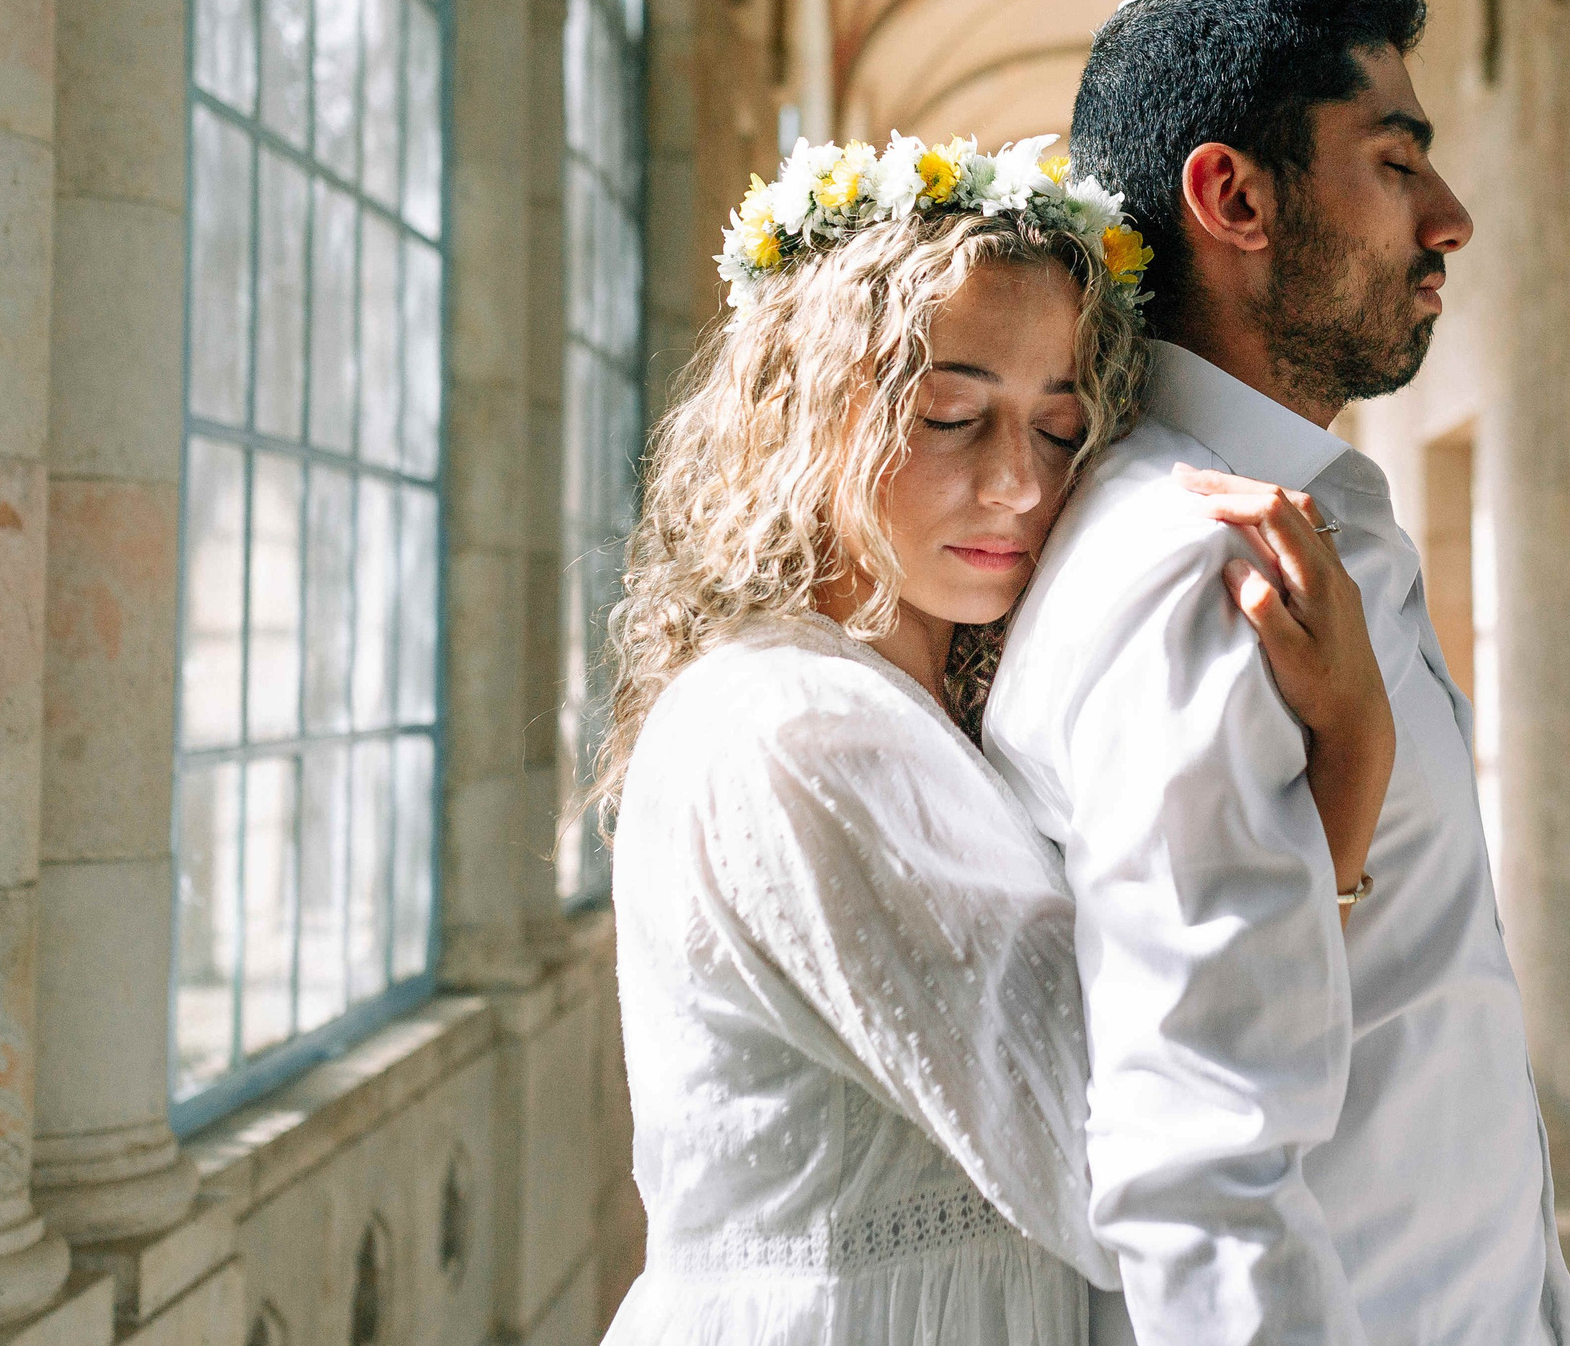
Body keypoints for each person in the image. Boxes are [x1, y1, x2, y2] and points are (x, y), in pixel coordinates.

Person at [587, 132, 1398, 1346]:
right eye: (952, 416)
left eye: (1061, 429)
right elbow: (1119, 1153)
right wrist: (1351, 756)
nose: (1021, 483)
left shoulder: (905, 710)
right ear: (801, 417)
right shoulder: (800, 731)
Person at [984, 0, 1570, 1345]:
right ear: (1234, 198)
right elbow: (1200, 1154)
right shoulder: (1200, 564)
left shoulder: (1300, 527)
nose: (1450, 218)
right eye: (1396, 160)